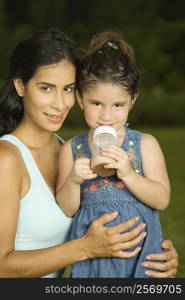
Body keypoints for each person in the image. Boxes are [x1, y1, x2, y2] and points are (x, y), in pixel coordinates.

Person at [0, 29, 178, 279]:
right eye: (46, 88)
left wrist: (158, 253)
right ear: (21, 85)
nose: (60, 104)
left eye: (68, 88)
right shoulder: (7, 158)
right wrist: (85, 248)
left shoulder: (66, 148)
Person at [56, 31, 173, 278]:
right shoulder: (72, 149)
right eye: (96, 103)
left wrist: (129, 174)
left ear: (132, 101)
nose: (106, 116)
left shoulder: (144, 145)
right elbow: (66, 210)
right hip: (94, 263)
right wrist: (74, 180)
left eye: (118, 105)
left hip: (141, 258)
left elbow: (161, 199)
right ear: (80, 98)